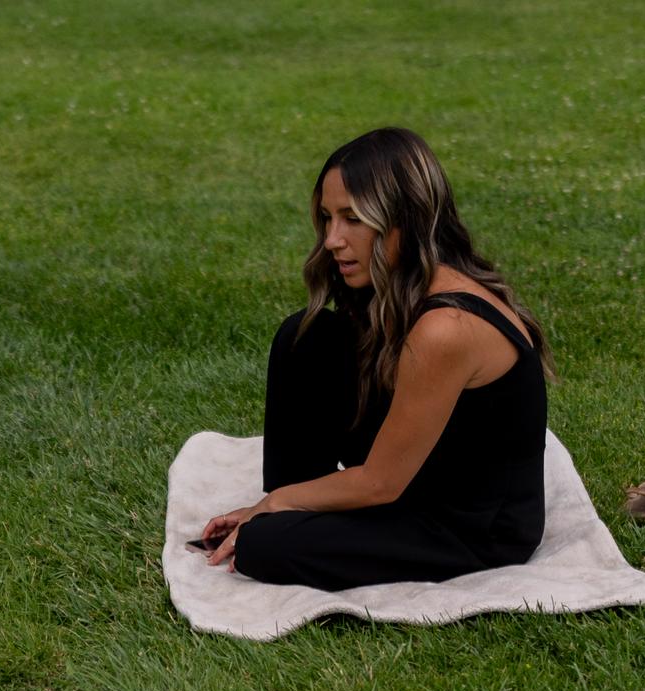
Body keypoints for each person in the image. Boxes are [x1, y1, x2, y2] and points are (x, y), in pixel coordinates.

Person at [198, 127, 557, 591]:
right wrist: (284, 499)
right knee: (305, 336)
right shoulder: (403, 287)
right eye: (328, 218)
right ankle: (300, 508)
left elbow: (381, 484)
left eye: (353, 219)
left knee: (264, 546)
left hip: (471, 526)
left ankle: (288, 516)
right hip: (422, 473)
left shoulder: (445, 328)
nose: (331, 240)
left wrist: (275, 506)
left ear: (404, 218)